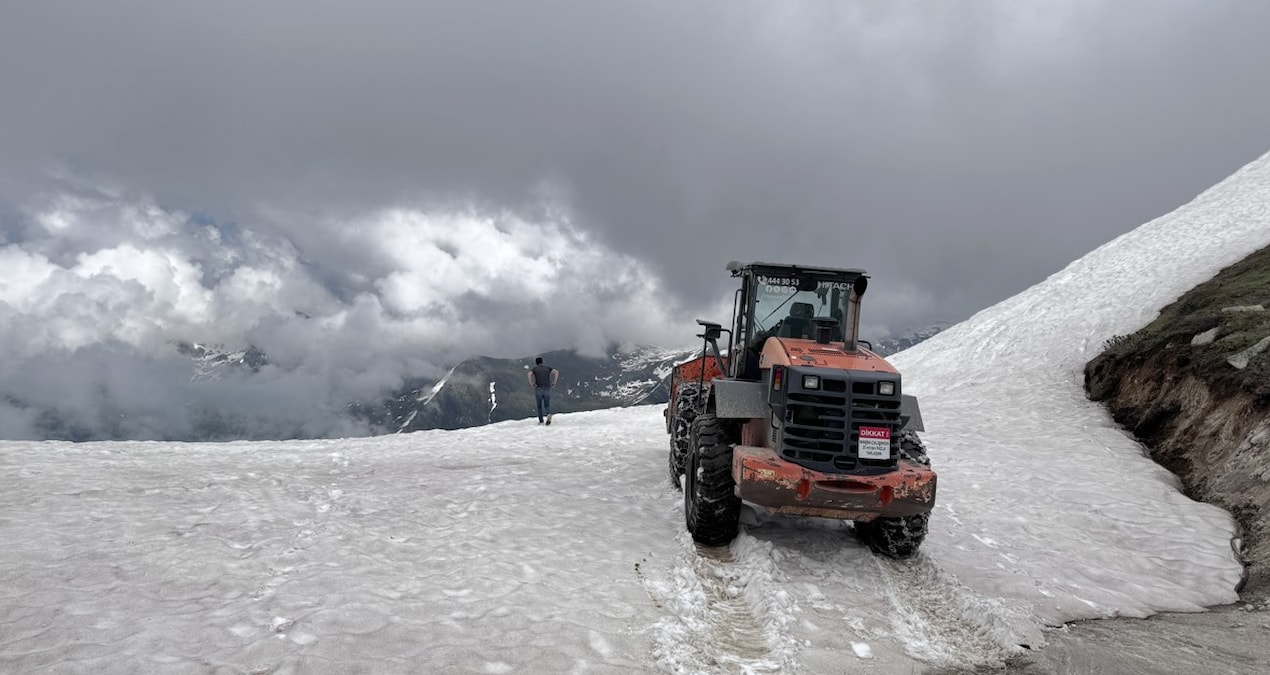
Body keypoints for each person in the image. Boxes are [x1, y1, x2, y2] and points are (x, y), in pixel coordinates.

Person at [528, 357, 559, 424]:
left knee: (539, 406)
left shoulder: (535, 369)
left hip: (538, 388)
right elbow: (556, 372)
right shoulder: (547, 368)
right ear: (542, 361)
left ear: (536, 362)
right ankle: (548, 414)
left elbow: (529, 374)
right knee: (547, 405)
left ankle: (541, 420)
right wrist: (554, 382)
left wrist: (531, 383)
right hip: (547, 387)